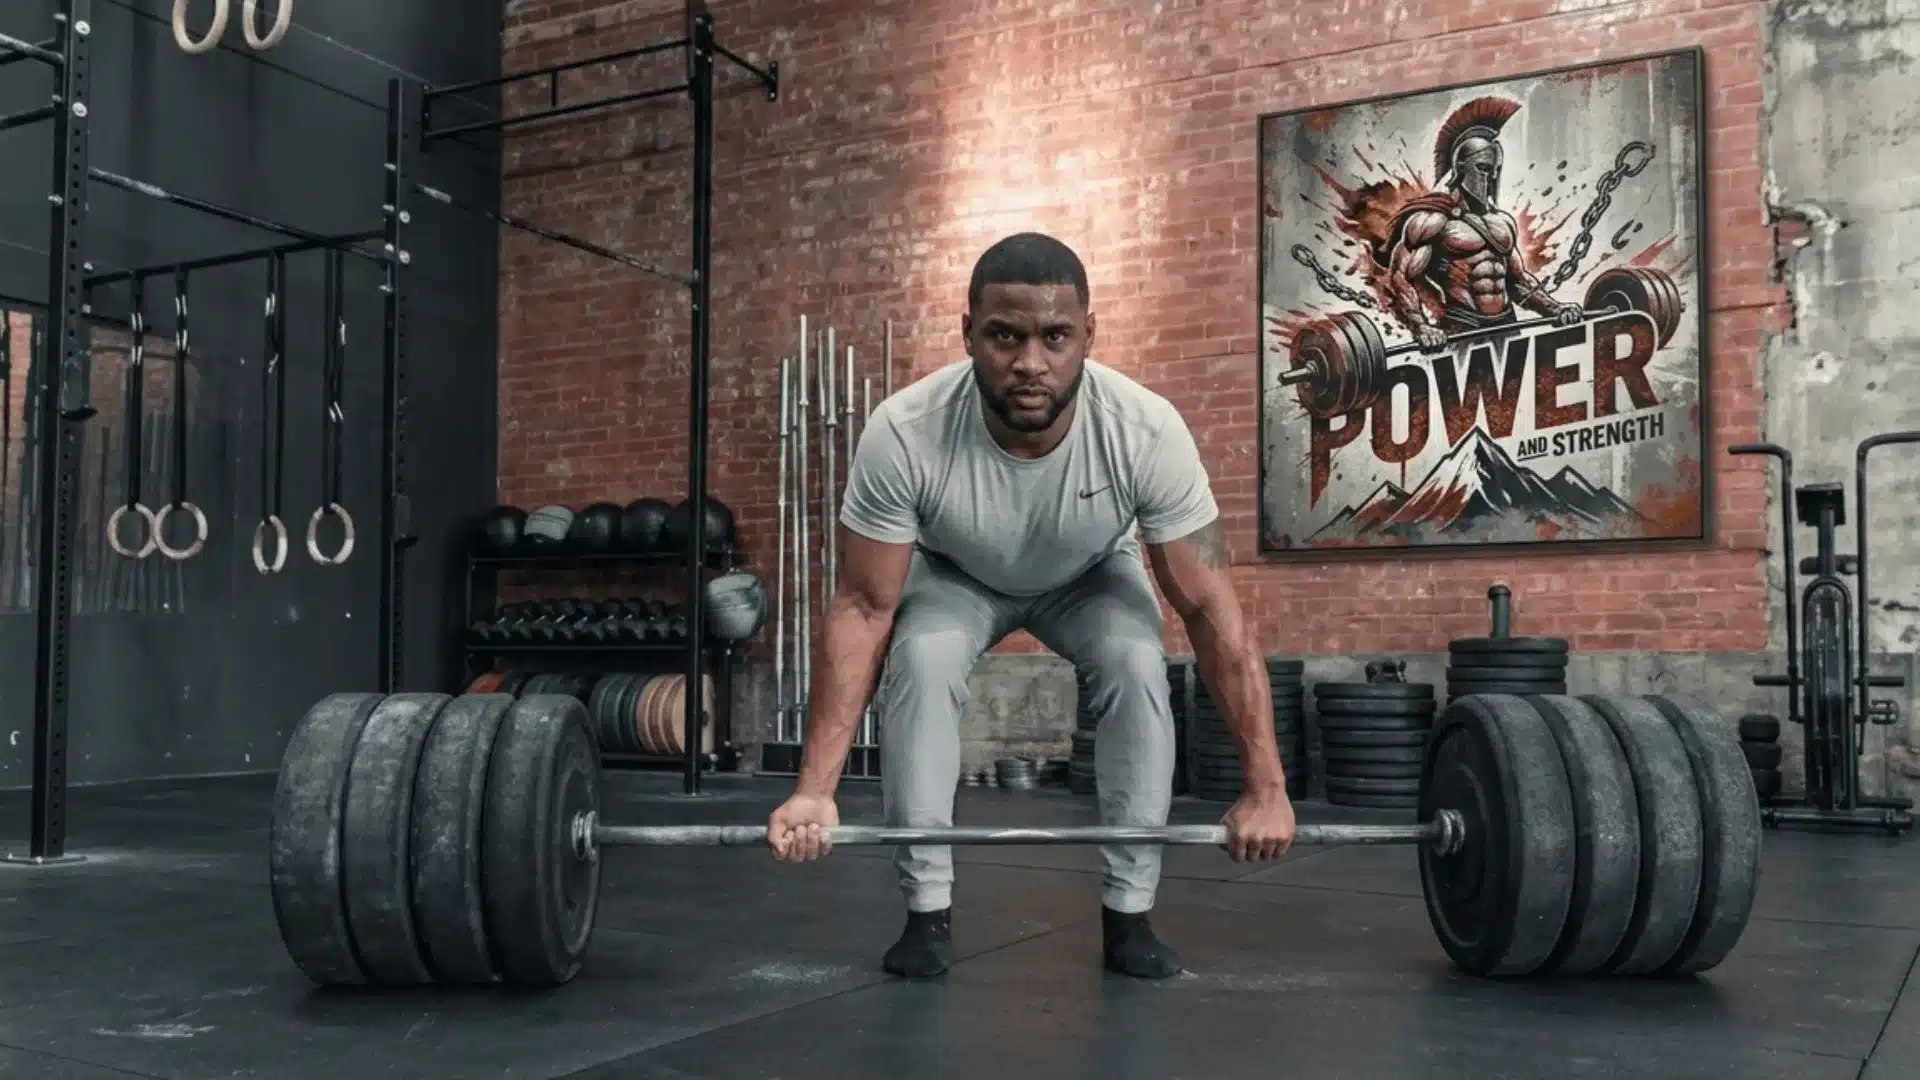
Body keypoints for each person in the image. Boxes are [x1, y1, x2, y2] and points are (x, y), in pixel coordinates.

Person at [764, 232, 1297, 980]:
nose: (1030, 363)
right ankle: (926, 912)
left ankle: (1130, 916)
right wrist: (815, 791)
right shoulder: (905, 432)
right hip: (956, 575)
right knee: (920, 656)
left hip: (1090, 574)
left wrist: (1265, 788)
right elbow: (861, 607)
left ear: (1089, 336)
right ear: (968, 335)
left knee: (1137, 659)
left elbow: (1211, 613)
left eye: (1055, 337)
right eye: (1004, 337)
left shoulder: (1144, 431)